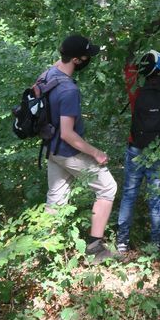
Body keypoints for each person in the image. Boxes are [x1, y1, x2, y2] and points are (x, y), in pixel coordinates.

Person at [45, 34, 118, 262]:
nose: (89, 59)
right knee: (107, 188)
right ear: (77, 60)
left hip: (51, 148)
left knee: (55, 201)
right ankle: (95, 247)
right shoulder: (68, 90)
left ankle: (46, 251)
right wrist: (96, 152)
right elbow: (68, 133)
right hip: (67, 151)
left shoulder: (47, 75)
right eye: (86, 56)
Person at [117, 50, 160, 252]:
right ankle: (156, 241)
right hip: (158, 150)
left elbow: (128, 66)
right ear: (159, 70)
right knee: (156, 196)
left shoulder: (134, 87)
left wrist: (142, 53)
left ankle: (122, 241)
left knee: (129, 195)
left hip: (136, 148)